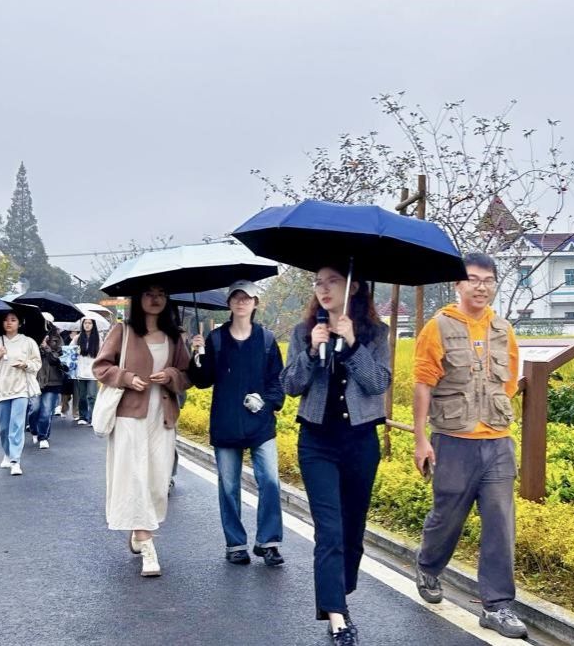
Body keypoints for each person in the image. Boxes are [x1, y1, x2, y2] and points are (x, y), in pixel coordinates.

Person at [412, 253, 527, 639]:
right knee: (447, 517)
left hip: (497, 441)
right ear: (458, 284)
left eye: (488, 280)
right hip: (453, 441)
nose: (481, 287)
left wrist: (490, 413)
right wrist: (421, 439)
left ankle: (497, 605)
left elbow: (509, 383)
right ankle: (428, 565)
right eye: (473, 279)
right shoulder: (438, 327)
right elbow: (423, 385)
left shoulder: (503, 329)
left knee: (500, 523)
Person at [280, 266, 391, 646]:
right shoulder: (304, 331)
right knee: (329, 531)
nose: (323, 289)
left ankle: (338, 594)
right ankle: (337, 617)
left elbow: (378, 384)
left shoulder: (376, 333)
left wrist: (354, 344)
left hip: (361, 442)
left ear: (353, 286)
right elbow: (290, 385)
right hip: (317, 442)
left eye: (332, 281)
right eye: (318, 282)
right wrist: (312, 351)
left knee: (352, 531)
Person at [93, 284, 191, 578]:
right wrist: (126, 378)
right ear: (138, 298)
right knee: (134, 477)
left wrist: (170, 375)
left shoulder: (175, 336)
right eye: (149, 293)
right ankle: (148, 546)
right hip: (129, 416)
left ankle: (139, 531)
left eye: (161, 293)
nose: (155, 298)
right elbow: (101, 367)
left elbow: (186, 376)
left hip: (162, 416)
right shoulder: (122, 331)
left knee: (158, 480)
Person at [188, 280, 285, 567]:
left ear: (256, 303)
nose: (241, 302)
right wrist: (197, 355)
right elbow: (203, 381)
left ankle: (268, 542)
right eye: (236, 297)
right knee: (229, 486)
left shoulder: (266, 340)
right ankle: (235, 544)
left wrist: (267, 403)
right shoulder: (216, 339)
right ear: (229, 303)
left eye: (247, 298)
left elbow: (277, 382)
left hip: (261, 424)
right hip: (226, 422)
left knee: (270, 481)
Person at [0, 311, 42, 476]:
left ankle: (15, 461)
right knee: (4, 427)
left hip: (21, 389)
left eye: (13, 320)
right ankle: (7, 453)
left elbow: (37, 363)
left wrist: (25, 364)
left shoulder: (28, 342)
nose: (9, 323)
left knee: (17, 425)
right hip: (2, 390)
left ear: (19, 323)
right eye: (6, 320)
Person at [29, 329, 65, 449]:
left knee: (46, 411)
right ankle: (34, 430)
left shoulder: (57, 339)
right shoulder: (30, 339)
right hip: (35, 380)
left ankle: (43, 437)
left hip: (53, 380)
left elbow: (58, 360)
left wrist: (46, 347)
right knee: (34, 409)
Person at [72, 317, 100, 425]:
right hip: (81, 371)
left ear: (93, 325)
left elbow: (103, 353)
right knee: (82, 396)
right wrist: (76, 351)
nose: (87, 325)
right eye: (85, 323)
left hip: (93, 371)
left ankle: (93, 418)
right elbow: (69, 351)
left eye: (90, 323)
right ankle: (83, 416)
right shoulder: (77, 338)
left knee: (92, 396)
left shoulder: (98, 338)